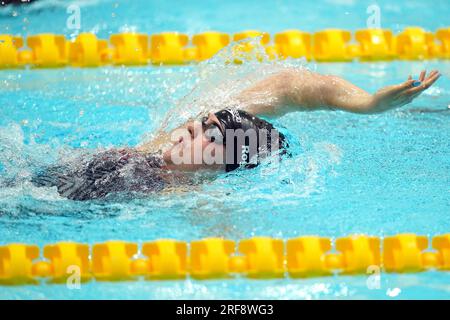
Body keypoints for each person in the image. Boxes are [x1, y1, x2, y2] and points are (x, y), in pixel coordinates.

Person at [32, 68, 441, 201]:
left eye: (208, 130)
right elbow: (287, 86)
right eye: (203, 120)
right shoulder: (156, 149)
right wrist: (367, 103)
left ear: (222, 163)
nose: (191, 124)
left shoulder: (188, 196)